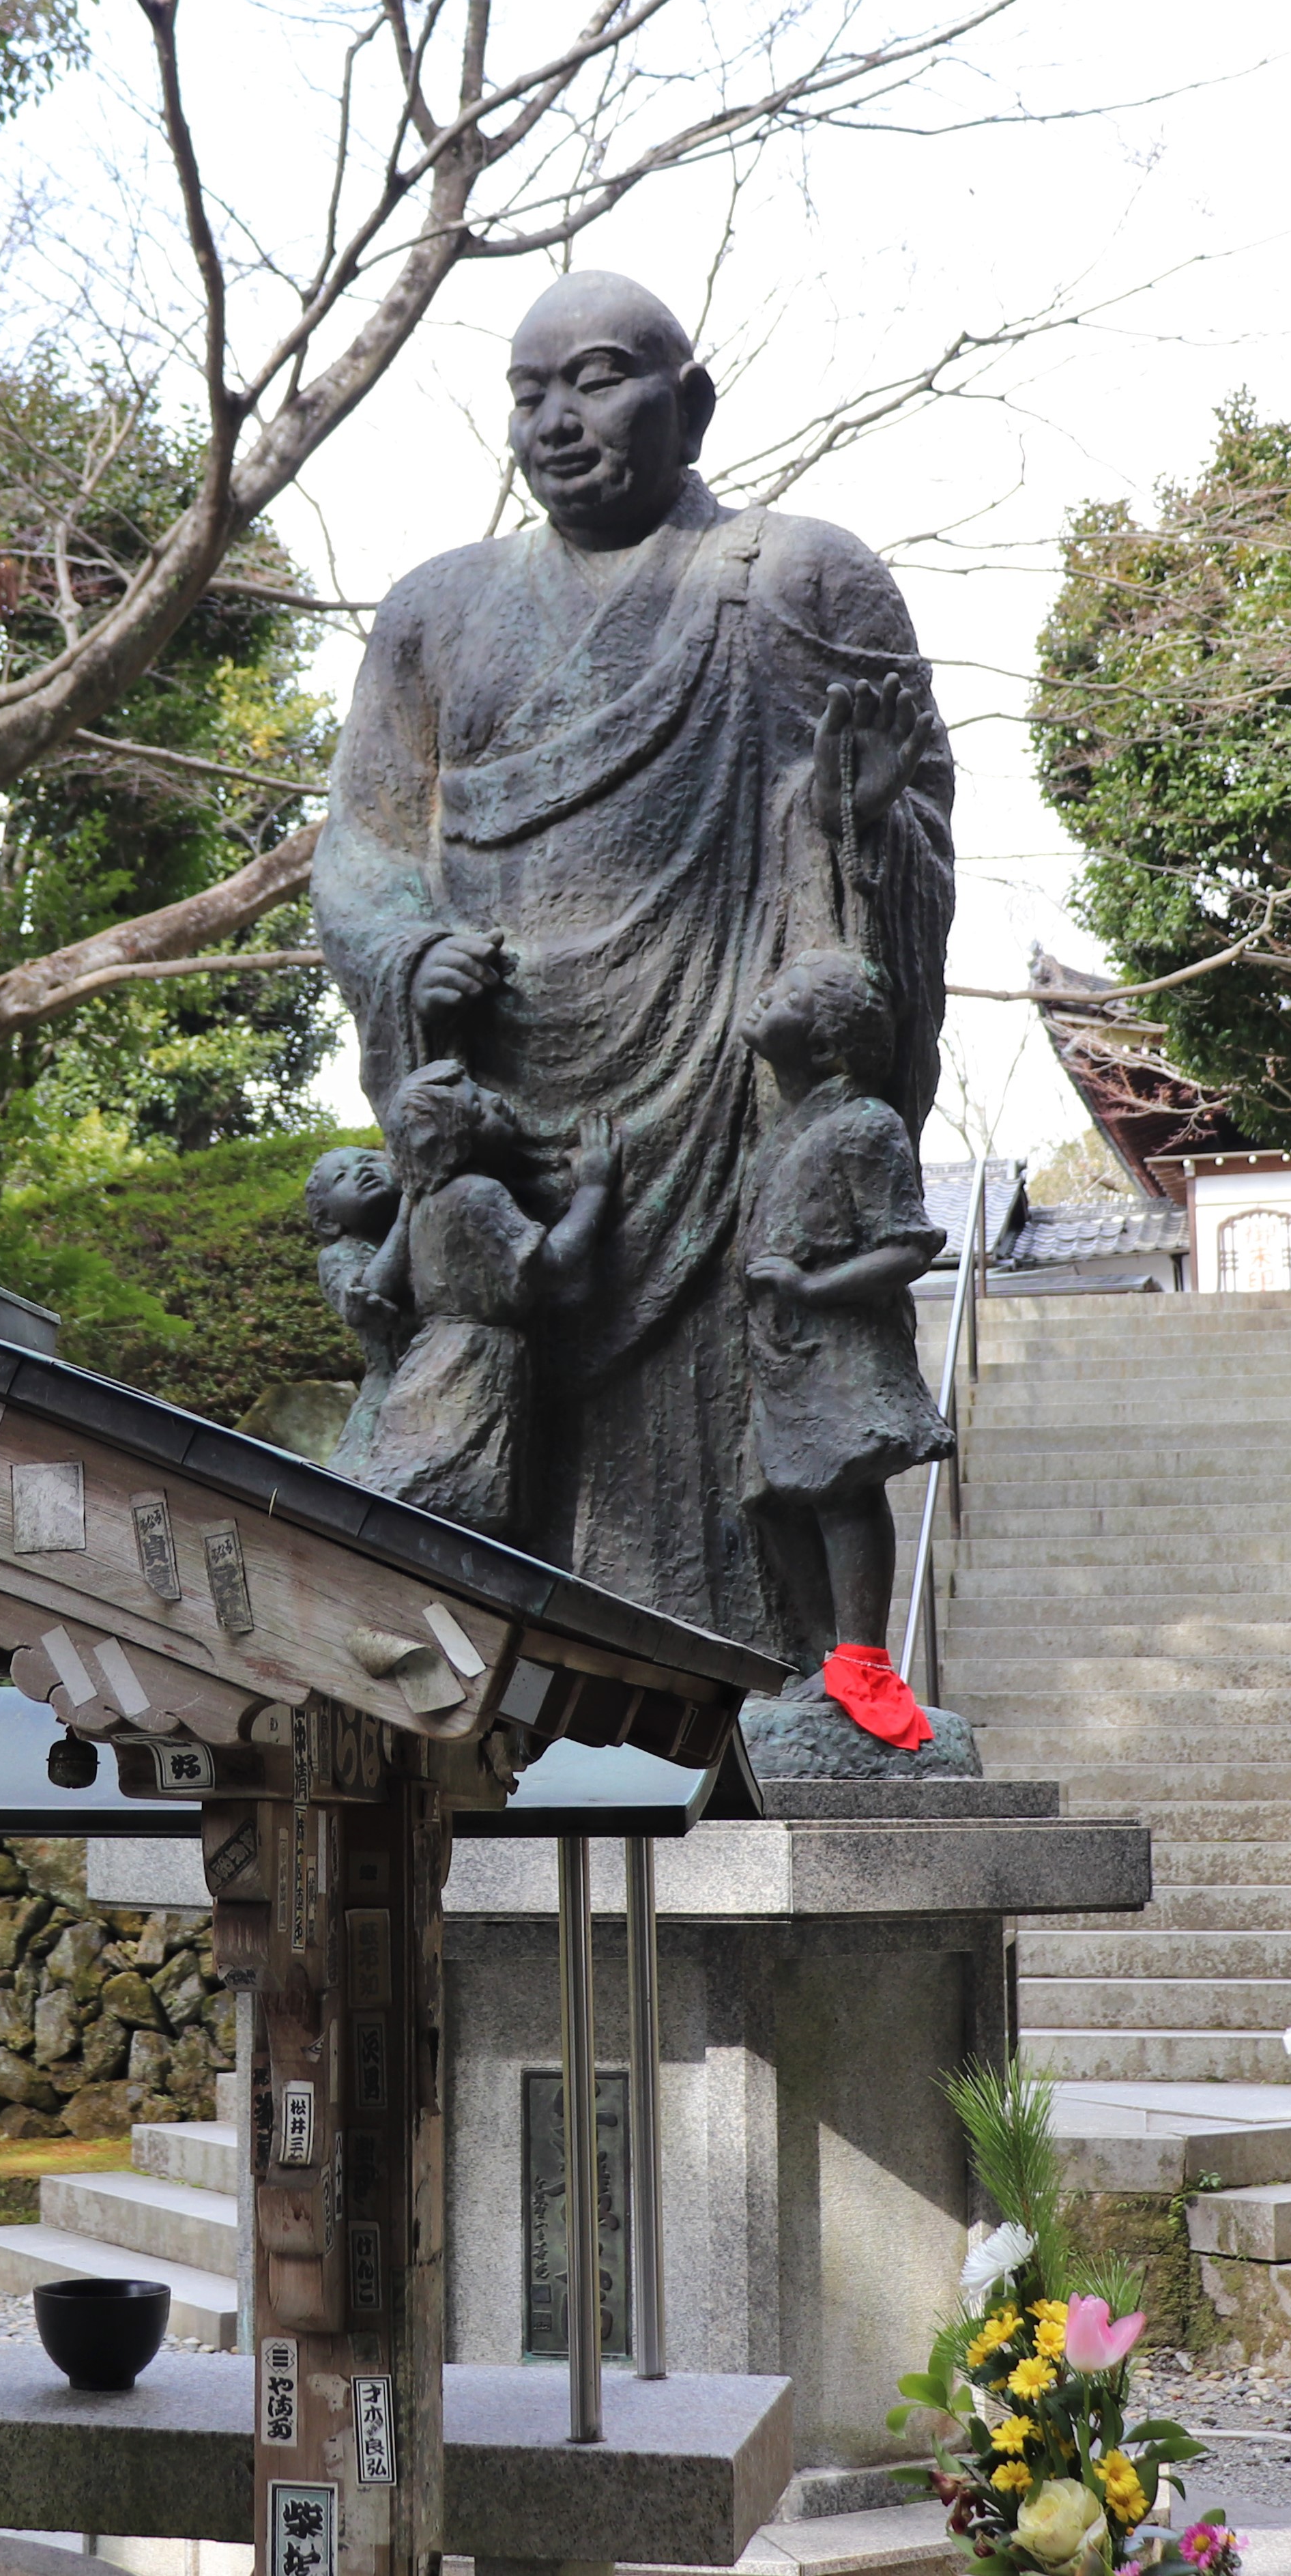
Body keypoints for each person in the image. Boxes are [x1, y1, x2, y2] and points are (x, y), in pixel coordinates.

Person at [311, 270, 953, 1662]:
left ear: (692, 401)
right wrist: (413, 949)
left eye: (596, 378)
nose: (556, 418)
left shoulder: (798, 576)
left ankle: (796, 1679)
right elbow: (360, 855)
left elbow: (906, 834)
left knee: (742, 1433)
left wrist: (851, 829)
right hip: (505, 1116)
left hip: (729, 1101)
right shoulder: (436, 611)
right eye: (528, 392)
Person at [733, 949, 958, 1760]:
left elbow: (907, 1247)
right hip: (782, 1351)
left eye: (787, 993)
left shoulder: (866, 1124)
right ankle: (823, 1654)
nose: (765, 995)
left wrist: (814, 1285)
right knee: (773, 1497)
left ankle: (861, 1657)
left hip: (841, 1341)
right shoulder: (786, 1128)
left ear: (827, 1041)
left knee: (840, 1489)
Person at [339, 1065, 620, 1534]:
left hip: (431, 1361)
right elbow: (552, 1264)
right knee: (453, 1496)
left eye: (485, 1088)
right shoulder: (477, 1195)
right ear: (458, 1134)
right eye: (479, 1104)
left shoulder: (428, 1203)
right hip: (469, 1369)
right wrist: (594, 1187)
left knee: (430, 1491)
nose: (497, 1099)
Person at [302, 1144, 408, 1468]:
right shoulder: (338, 1256)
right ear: (328, 1221)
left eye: (368, 1162)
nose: (362, 1171)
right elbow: (371, 1294)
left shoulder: (427, 1218)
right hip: (392, 1382)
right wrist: (406, 1218)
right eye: (342, 1177)